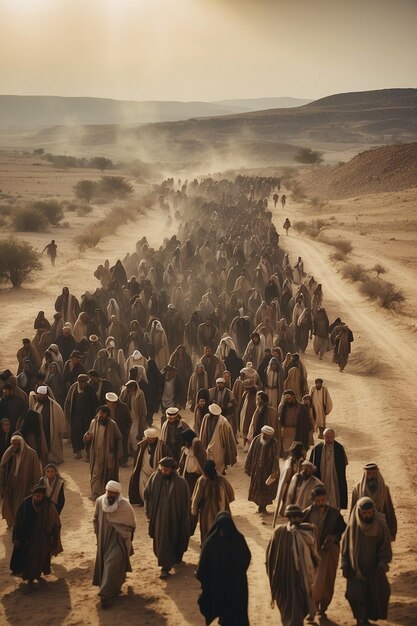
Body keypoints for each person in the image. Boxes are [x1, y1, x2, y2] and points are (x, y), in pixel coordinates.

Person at [342, 497, 392, 626]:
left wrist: (381, 565)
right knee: (354, 595)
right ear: (359, 512)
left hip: (373, 569)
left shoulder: (380, 527)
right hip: (355, 570)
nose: (367, 515)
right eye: (364, 513)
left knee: (373, 595)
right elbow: (345, 548)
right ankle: (360, 618)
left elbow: (385, 549)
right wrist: (345, 565)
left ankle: (364, 619)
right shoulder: (352, 527)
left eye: (370, 512)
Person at [266, 504, 319, 626]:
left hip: (301, 580)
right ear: (288, 518)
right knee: (286, 610)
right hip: (282, 579)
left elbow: (314, 556)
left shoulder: (308, 533)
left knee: (298, 611)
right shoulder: (278, 532)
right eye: (292, 517)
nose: (295, 520)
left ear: (301, 518)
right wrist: (272, 574)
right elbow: (270, 555)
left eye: (297, 517)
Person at [196, 511, 251, 626]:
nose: (223, 532)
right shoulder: (211, 543)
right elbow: (203, 566)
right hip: (220, 584)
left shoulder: (237, 540)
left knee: (234, 614)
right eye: (221, 529)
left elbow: (246, 557)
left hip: (234, 585)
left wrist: (237, 573)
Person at [10, 483, 62, 593]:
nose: (36, 498)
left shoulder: (49, 506)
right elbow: (18, 522)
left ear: (43, 496)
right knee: (31, 559)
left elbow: (56, 522)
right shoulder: (25, 503)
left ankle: (34, 576)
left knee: (39, 558)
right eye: (35, 495)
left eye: (38, 496)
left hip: (42, 538)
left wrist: (53, 536)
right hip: (27, 538)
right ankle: (30, 582)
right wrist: (17, 538)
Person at [303, 485, 346, 618]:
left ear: (326, 499)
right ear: (313, 500)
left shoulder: (334, 514)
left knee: (328, 579)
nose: (321, 503)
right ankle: (312, 608)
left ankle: (323, 607)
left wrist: (333, 537)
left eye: (323, 500)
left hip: (329, 552)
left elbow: (342, 529)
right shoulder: (307, 513)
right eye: (318, 500)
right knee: (313, 581)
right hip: (312, 553)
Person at [144, 456, 191, 579]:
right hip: (159, 517)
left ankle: (174, 558)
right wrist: (148, 513)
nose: (164, 472)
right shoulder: (154, 478)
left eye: (167, 470)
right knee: (163, 540)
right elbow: (147, 496)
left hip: (176, 517)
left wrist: (185, 518)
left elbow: (186, 502)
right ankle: (165, 567)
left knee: (175, 538)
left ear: (173, 470)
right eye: (162, 469)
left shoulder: (181, 483)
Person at [93, 480, 136, 609]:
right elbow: (95, 519)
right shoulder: (100, 501)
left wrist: (125, 535)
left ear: (118, 493)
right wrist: (97, 533)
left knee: (112, 564)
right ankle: (114, 588)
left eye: (113, 493)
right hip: (104, 539)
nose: (110, 495)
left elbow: (131, 524)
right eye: (108, 492)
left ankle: (105, 596)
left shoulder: (125, 505)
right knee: (109, 566)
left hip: (118, 540)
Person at [0, 434, 42, 527]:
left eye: (17, 444)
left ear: (21, 444)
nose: (14, 446)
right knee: (11, 502)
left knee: (21, 503)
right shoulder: (10, 453)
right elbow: (3, 465)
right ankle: (12, 521)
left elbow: (37, 472)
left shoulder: (31, 454)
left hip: (25, 483)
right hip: (12, 483)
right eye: (13, 444)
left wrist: (36, 487)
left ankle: (19, 522)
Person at [191, 460, 235, 544]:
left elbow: (195, 500)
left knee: (208, 533)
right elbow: (230, 494)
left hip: (206, 514)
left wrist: (194, 511)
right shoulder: (221, 479)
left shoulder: (202, 480)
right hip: (220, 512)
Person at [84, 405, 122, 501]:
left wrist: (118, 453)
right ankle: (95, 494)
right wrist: (87, 438)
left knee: (108, 476)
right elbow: (88, 434)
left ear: (107, 415)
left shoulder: (112, 424)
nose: (100, 416)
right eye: (99, 414)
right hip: (96, 454)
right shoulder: (93, 423)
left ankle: (107, 495)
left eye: (103, 414)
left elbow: (119, 438)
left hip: (108, 455)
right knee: (95, 475)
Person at [351, 463, 397, 541]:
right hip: (363, 528)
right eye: (369, 474)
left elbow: (389, 511)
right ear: (365, 474)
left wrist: (391, 530)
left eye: (374, 473)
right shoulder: (357, 489)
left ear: (377, 473)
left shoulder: (384, 489)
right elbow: (353, 512)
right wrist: (352, 530)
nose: (371, 476)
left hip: (380, 528)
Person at [128, 428, 170, 506]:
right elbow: (137, 459)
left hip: (156, 471)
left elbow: (168, 458)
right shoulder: (142, 445)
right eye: (149, 439)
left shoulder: (162, 446)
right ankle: (144, 502)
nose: (150, 441)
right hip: (144, 470)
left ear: (155, 438)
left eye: (152, 439)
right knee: (142, 488)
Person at [309, 428, 348, 510]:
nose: (329, 439)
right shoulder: (317, 449)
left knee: (336, 494)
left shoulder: (339, 448)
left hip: (335, 478)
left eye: (331, 437)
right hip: (322, 477)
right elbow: (312, 465)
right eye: (327, 437)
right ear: (323, 437)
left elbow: (343, 464)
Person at [245, 425, 280, 514]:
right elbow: (250, 454)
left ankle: (263, 507)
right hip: (257, 469)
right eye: (265, 435)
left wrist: (274, 471)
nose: (266, 438)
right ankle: (260, 507)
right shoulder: (256, 439)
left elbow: (276, 458)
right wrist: (248, 467)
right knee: (257, 488)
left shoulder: (274, 443)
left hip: (267, 471)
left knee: (266, 488)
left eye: (268, 436)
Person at [28, 385, 66, 464]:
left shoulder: (55, 406)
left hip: (51, 430)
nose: (41, 396)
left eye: (43, 395)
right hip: (41, 431)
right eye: (40, 395)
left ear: (46, 395)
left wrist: (60, 431)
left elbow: (61, 419)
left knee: (51, 446)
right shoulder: (37, 405)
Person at [64, 373, 98, 459]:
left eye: (84, 383)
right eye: (81, 383)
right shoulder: (73, 388)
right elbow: (68, 402)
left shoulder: (90, 389)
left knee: (88, 434)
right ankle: (78, 452)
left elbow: (95, 403)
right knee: (76, 434)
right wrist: (67, 415)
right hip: (76, 415)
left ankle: (88, 453)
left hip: (87, 415)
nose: (83, 384)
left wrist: (95, 415)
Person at [199, 404, 237, 475]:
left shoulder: (223, 422)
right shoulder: (206, 418)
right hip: (207, 445)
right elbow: (202, 432)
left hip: (219, 448)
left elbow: (229, 436)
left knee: (218, 465)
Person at [119, 380, 147, 456]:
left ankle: (135, 450)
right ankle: (127, 451)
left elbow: (143, 407)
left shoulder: (140, 394)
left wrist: (143, 417)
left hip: (136, 417)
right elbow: (120, 402)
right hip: (127, 417)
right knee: (127, 434)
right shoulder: (124, 392)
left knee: (135, 434)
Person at [279, 389, 311, 454]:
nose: (288, 400)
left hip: (297, 432)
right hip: (286, 433)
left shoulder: (301, 407)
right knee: (287, 454)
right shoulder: (284, 407)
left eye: (289, 398)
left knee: (296, 453)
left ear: (293, 397)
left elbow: (305, 423)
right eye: (286, 399)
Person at [105, 392, 132, 467]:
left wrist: (127, 431)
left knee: (123, 446)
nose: (108, 403)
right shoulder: (105, 408)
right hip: (110, 431)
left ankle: (123, 462)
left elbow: (129, 420)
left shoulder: (123, 407)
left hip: (122, 430)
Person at [179, 428, 207, 496]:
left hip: (195, 474)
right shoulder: (189, 443)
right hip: (187, 473)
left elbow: (197, 454)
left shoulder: (196, 442)